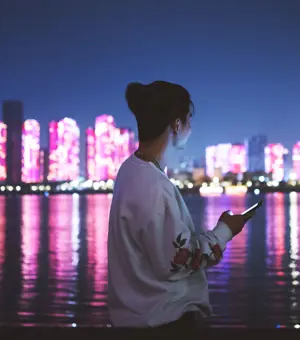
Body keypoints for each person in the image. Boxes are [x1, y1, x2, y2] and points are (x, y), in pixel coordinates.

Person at [107, 80, 252, 331]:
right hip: (163, 323)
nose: (191, 127)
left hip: (132, 321)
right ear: (177, 124)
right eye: (189, 119)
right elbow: (180, 261)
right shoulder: (156, 186)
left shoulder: (129, 170)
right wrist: (226, 230)